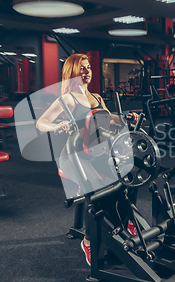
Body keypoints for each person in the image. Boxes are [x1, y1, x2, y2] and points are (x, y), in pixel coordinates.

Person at [36, 53, 138, 266]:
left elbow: (109, 118)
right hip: (74, 158)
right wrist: (57, 126)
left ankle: (126, 224)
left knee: (129, 179)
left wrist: (127, 116)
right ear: (71, 72)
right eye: (81, 68)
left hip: (98, 154)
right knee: (99, 193)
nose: (86, 71)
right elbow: (41, 123)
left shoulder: (98, 97)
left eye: (88, 67)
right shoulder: (67, 100)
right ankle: (90, 241)